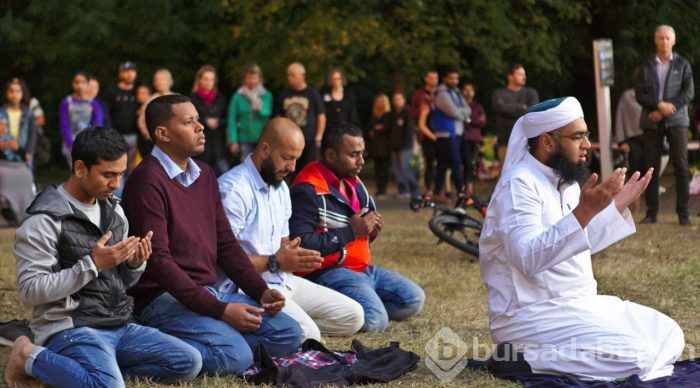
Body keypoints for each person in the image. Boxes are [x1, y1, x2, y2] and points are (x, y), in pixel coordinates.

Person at [480, 96, 684, 381]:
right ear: (547, 141)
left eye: (586, 135)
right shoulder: (519, 185)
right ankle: (524, 359)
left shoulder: (566, 180)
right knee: (639, 356)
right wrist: (585, 210)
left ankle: (640, 367)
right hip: (531, 316)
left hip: (579, 304)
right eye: (577, 136)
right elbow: (527, 258)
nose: (588, 144)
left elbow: (575, 244)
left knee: (670, 333)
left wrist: (615, 207)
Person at [4, 127, 202, 388]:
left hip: (119, 324)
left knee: (189, 362)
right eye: (108, 175)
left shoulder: (115, 211)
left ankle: (87, 372)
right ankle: (27, 355)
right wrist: (93, 265)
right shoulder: (44, 219)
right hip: (71, 328)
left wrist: (134, 264)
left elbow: (121, 282)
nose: (116, 184)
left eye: (121, 174)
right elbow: (31, 291)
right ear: (80, 168)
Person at [121, 94, 302, 375]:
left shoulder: (204, 174)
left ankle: (210, 339)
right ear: (163, 134)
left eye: (199, 120)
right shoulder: (146, 181)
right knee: (236, 356)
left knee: (289, 332)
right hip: (161, 299)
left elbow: (226, 244)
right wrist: (220, 311)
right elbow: (159, 263)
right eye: (189, 122)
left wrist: (261, 291)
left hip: (207, 293)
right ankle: (164, 346)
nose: (200, 127)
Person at [218, 117, 364, 341]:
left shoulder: (281, 188)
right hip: (247, 287)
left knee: (353, 316)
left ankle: (281, 330)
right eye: (287, 158)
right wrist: (276, 261)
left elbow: (284, 245)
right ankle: (278, 330)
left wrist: (296, 256)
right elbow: (222, 260)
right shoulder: (233, 189)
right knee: (310, 335)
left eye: (296, 159)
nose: (292, 167)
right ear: (265, 149)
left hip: (283, 279)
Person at [289, 122, 425, 333]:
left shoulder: (354, 182)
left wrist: (371, 231)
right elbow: (301, 242)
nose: (362, 160)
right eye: (354, 154)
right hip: (327, 272)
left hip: (361, 269)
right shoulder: (307, 189)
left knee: (413, 299)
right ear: (331, 155)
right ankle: (341, 308)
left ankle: (356, 302)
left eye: (362, 153)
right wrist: (352, 232)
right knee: (375, 321)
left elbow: (360, 234)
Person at [636, 25, 694, 226]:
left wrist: (670, 108)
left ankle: (683, 214)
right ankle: (651, 213)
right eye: (660, 38)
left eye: (667, 38)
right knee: (650, 167)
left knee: (681, 165)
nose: (664, 42)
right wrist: (658, 105)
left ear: (673, 41)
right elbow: (640, 94)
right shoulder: (646, 66)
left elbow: (689, 92)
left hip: (677, 121)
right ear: (655, 40)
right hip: (651, 122)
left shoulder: (683, 64)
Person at [274, 62, 326, 179]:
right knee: (291, 174)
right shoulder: (284, 94)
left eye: (293, 75)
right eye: (288, 75)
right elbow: (278, 118)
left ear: (302, 75)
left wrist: (319, 136)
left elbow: (321, 115)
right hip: (289, 142)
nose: (289, 78)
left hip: (309, 140)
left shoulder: (312, 93)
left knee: (312, 173)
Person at [0, 78, 38, 225]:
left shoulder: (28, 114)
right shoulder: (1, 113)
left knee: (27, 177)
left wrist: (28, 152)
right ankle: (6, 209)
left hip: (21, 157)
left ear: (22, 94)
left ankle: (22, 212)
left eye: (17, 91)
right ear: (6, 93)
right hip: (3, 157)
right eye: (11, 91)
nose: (14, 94)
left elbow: (32, 136)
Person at [432, 68, 470, 200]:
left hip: (456, 132)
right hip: (446, 133)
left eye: (456, 78)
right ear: (445, 79)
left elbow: (468, 109)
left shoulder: (456, 93)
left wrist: (462, 114)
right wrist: (463, 115)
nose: (454, 81)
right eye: (451, 78)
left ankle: (437, 191)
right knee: (455, 162)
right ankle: (461, 191)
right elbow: (453, 111)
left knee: (443, 164)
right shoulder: (442, 94)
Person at [492, 63, 539, 163]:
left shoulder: (531, 93)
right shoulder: (499, 93)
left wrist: (510, 109)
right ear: (510, 76)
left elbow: (532, 113)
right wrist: (521, 107)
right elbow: (500, 107)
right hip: (505, 142)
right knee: (505, 173)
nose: (524, 77)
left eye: (524, 74)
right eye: (520, 74)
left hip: (527, 142)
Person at [228, 64, 273, 163]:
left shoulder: (266, 95)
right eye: (249, 77)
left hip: (262, 138)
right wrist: (233, 140)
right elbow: (232, 119)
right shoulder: (237, 96)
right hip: (244, 139)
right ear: (244, 79)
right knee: (246, 166)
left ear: (259, 79)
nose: (252, 81)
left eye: (254, 78)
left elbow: (268, 112)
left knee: (262, 165)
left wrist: (260, 110)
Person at [59, 71, 104, 167]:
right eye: (77, 82)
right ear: (72, 84)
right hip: (70, 142)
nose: (79, 85)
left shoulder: (93, 103)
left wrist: (90, 142)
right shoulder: (66, 102)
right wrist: (70, 144)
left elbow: (97, 124)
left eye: (83, 82)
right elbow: (64, 124)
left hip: (88, 143)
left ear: (88, 84)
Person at [191, 65, 229, 176]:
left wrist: (218, 122)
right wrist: (205, 121)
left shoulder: (221, 98)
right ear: (199, 80)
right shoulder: (192, 99)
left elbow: (228, 119)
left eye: (211, 79)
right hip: (200, 147)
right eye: (206, 79)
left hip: (219, 147)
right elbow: (189, 120)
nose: (209, 82)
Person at [103, 61, 139, 173]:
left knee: (131, 168)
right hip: (116, 135)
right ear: (120, 74)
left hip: (134, 136)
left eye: (132, 71)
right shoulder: (112, 91)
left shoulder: (139, 92)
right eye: (126, 71)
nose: (129, 74)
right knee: (116, 167)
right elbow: (106, 113)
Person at [614, 76, 644, 212]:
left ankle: (650, 209)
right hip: (633, 140)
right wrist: (621, 140)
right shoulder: (627, 96)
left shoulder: (655, 96)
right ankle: (634, 207)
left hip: (652, 138)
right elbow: (620, 117)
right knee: (634, 173)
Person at [410, 70, 438, 193]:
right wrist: (422, 112)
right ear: (426, 79)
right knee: (429, 161)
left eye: (435, 78)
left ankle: (440, 188)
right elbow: (412, 112)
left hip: (439, 131)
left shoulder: (440, 94)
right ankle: (428, 188)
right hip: (425, 132)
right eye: (431, 78)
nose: (433, 80)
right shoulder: (419, 95)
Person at [137, 69, 175, 157]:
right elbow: (141, 121)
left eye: (162, 79)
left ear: (169, 81)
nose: (158, 82)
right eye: (156, 80)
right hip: (154, 143)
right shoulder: (150, 100)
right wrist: (148, 135)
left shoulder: (177, 98)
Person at [389, 91, 419, 199]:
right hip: (395, 145)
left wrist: (410, 144)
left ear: (404, 100)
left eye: (399, 99)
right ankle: (403, 190)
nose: (397, 101)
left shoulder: (407, 113)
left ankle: (414, 190)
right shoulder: (393, 113)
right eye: (395, 99)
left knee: (405, 167)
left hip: (405, 146)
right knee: (397, 169)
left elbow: (410, 131)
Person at [461, 81, 486, 196]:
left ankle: (470, 190)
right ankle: (465, 188)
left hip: (475, 139)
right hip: (463, 138)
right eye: (466, 90)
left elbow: (482, 122)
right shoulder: (459, 105)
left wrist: (470, 120)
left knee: (473, 164)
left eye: (470, 90)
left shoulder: (477, 106)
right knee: (466, 163)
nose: (468, 93)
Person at [367, 94, 392, 198]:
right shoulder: (374, 115)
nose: (379, 103)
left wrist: (377, 129)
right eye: (378, 101)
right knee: (377, 168)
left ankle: (383, 189)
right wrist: (378, 129)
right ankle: (379, 189)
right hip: (375, 145)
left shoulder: (388, 115)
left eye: (382, 101)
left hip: (385, 145)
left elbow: (386, 128)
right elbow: (370, 128)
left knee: (384, 168)